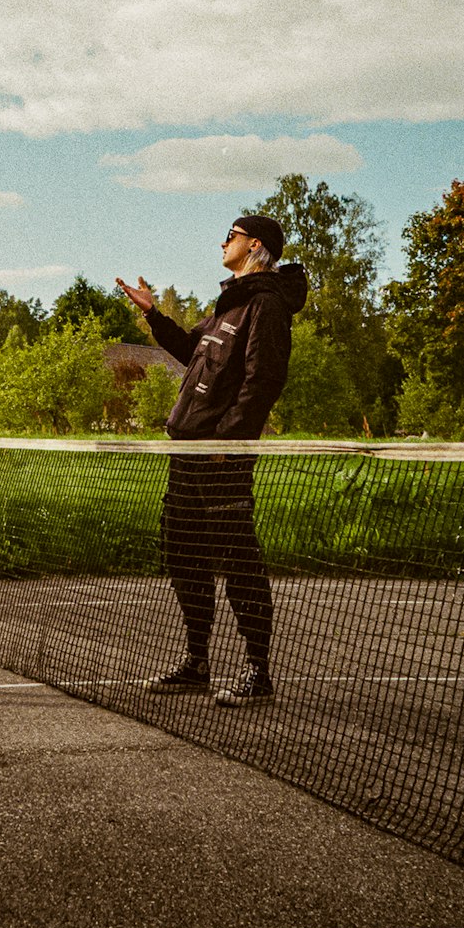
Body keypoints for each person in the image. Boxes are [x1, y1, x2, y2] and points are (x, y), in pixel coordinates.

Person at [117, 214, 307, 707]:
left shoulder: (265, 304)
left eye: (231, 236)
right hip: (188, 452)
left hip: (220, 455)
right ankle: (197, 663)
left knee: (238, 559)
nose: (222, 242)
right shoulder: (230, 305)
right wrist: (153, 314)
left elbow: (263, 379)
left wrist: (229, 440)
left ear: (254, 246)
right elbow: (189, 349)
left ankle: (258, 672)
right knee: (183, 555)